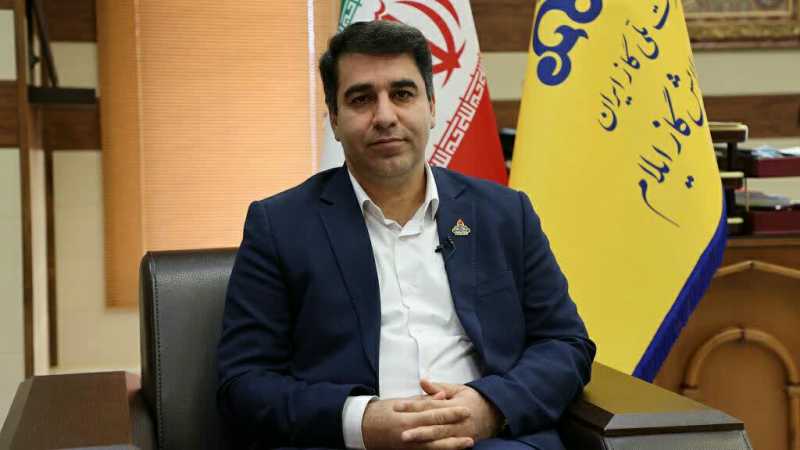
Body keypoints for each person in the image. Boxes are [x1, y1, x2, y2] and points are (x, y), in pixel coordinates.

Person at [217, 20, 595, 450]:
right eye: (361, 99)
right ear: (335, 120)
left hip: (491, 442)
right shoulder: (279, 226)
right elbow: (243, 384)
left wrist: (490, 407)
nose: (384, 116)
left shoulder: (505, 214)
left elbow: (565, 343)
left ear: (431, 106)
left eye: (402, 94)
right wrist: (360, 421)